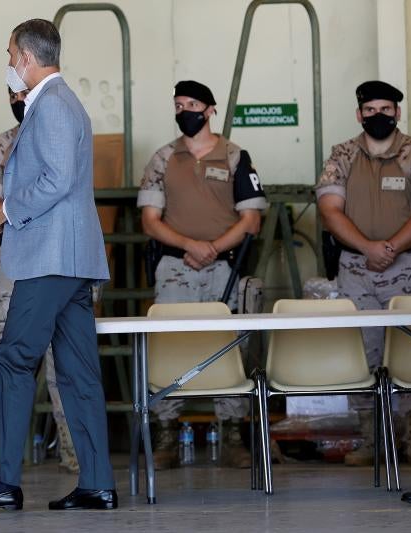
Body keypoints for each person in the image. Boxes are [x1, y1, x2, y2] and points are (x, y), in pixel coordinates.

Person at [0, 18, 116, 511]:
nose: (8, 65)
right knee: (79, 372)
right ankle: (97, 483)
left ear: (26, 57)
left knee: (15, 358)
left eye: (9, 55)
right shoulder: (55, 105)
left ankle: (2, 482)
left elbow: (59, 179)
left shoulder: (54, 106)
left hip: (51, 258)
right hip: (69, 257)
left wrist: (7, 209)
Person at [138, 80, 267, 470]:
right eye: (178, 104)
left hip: (223, 267)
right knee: (170, 346)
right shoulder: (163, 158)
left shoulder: (234, 156)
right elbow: (149, 221)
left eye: (192, 104)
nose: (184, 111)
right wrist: (190, 245)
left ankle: (231, 433)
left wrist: (212, 247)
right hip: (175, 268)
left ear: (210, 110)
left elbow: (252, 219)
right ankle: (166, 435)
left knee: (227, 345)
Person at [0, 87, 79, 474]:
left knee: (64, 358)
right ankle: (2, 460)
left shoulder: (60, 133)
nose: (18, 101)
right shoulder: (2, 143)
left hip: (57, 256)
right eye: (11, 95)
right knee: (6, 352)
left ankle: (74, 452)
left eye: (24, 93)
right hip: (14, 258)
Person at [316, 80, 411, 469]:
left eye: (385, 109)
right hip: (355, 269)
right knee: (363, 350)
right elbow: (330, 209)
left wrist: (389, 247)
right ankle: (373, 437)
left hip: (407, 266)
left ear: (397, 112)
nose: (378, 116)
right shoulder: (341, 155)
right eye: (370, 110)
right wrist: (368, 248)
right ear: (359, 115)